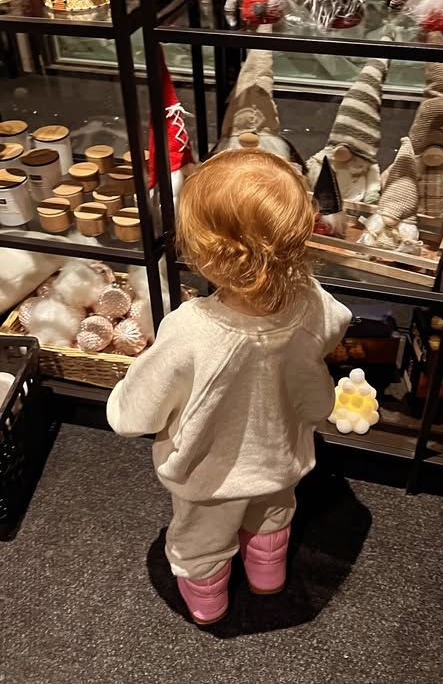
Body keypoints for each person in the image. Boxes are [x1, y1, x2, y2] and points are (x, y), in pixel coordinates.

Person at [107, 149, 351, 625]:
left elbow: (139, 409)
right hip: (281, 456)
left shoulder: (190, 330)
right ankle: (266, 571)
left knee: (203, 538)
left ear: (206, 255)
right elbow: (337, 324)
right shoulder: (312, 302)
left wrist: (122, 405)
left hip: (208, 475)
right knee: (272, 517)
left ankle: (208, 598)